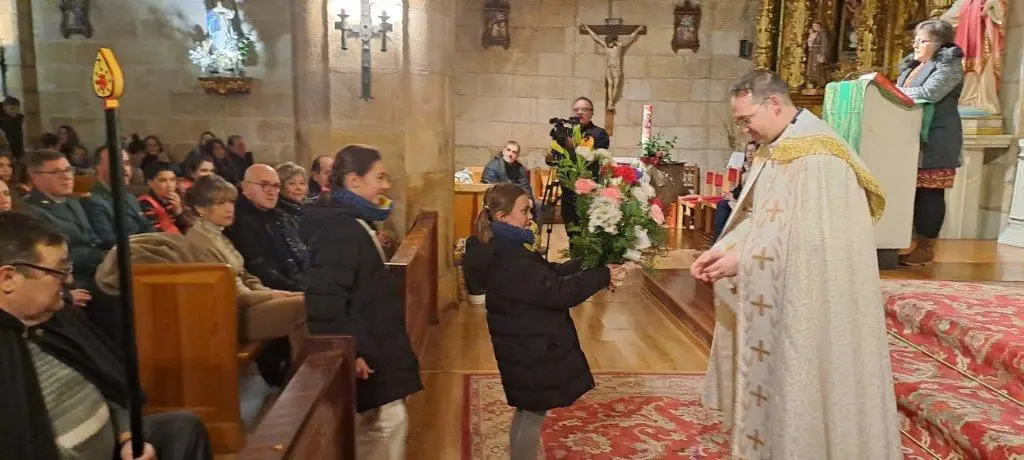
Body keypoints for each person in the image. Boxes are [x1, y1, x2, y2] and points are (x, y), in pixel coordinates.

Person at [690, 70, 900, 459]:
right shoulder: (778, 149)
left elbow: (814, 244)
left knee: (807, 381)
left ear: (772, 104)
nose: (744, 131)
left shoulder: (820, 158)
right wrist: (726, 248)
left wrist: (743, 259)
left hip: (813, 303)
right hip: (781, 293)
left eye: (745, 119)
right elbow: (764, 219)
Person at [0, 211, 213, 460]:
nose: (69, 280)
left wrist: (129, 437)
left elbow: (108, 385)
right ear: (8, 279)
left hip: (115, 445)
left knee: (184, 426)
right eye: (59, 271)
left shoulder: (59, 320)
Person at [462, 183, 624, 459]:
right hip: (528, 345)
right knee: (532, 411)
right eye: (524, 210)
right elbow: (558, 292)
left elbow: (549, 273)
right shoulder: (510, 257)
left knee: (529, 408)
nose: (530, 216)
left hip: (525, 339)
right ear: (503, 218)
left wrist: (589, 263)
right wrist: (602, 277)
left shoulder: (505, 246)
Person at [301, 145, 422, 459]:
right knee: (382, 427)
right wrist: (348, 352)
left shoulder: (351, 221)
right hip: (364, 352)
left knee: (387, 423)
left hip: (373, 345)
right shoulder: (339, 229)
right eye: (379, 177)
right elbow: (325, 298)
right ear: (354, 180)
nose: (386, 185)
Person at [185, 175, 306, 387]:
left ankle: (299, 376)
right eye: (220, 203)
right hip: (230, 315)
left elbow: (245, 275)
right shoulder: (199, 241)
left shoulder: (218, 234)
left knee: (309, 298)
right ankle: (300, 384)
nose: (229, 208)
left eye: (231, 201)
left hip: (247, 301)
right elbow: (228, 293)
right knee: (304, 306)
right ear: (201, 208)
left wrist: (266, 290)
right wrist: (270, 295)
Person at [896, 19, 965, 265]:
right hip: (908, 137)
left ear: (938, 44)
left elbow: (930, 93)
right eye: (915, 39)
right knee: (911, 193)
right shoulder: (912, 65)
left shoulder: (949, 64)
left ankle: (926, 247)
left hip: (936, 138)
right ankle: (899, 241)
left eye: (921, 40)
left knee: (930, 193)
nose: (915, 44)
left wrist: (892, 92)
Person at [23, 149, 105, 299]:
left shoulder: (73, 201)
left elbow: (93, 240)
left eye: (68, 170)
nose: (66, 176)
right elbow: (52, 256)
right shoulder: (31, 210)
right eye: (56, 172)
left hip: (96, 272)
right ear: (35, 177)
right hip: (69, 283)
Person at [225, 164, 307, 292]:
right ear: (245, 187)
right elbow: (259, 269)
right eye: (264, 185)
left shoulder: (273, 214)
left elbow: (287, 259)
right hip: (265, 292)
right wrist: (300, 290)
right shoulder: (238, 221)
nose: (272, 191)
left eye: (275, 186)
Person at [546, 97, 610, 243]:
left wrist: (572, 146)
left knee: (590, 237)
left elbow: (595, 158)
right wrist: (551, 156)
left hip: (589, 195)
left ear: (591, 113)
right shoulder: (564, 133)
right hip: (568, 194)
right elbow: (557, 156)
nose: (579, 112)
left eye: (584, 109)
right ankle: (574, 264)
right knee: (572, 236)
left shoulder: (599, 134)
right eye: (576, 109)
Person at [940, 0, 1006, 115]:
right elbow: (947, 19)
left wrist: (992, 5)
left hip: (985, 32)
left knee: (984, 64)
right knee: (966, 63)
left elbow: (1000, 12)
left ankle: (982, 100)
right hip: (967, 31)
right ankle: (966, 99)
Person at [82, 146, 155, 245]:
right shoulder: (93, 201)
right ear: (98, 167)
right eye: (116, 163)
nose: (124, 169)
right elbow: (108, 240)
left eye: (127, 163)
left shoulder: (130, 196)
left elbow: (147, 227)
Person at [580, 25, 646, 112]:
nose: (609, 45)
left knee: (616, 84)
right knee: (610, 84)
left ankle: (611, 103)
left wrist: (637, 30)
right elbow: (596, 37)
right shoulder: (606, 45)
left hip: (616, 68)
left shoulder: (619, 46)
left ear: (613, 41)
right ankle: (609, 103)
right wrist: (588, 29)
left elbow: (631, 37)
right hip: (609, 67)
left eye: (610, 43)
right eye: (607, 43)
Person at [711, 141, 757, 242]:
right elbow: (741, 186)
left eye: (752, 151)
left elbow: (751, 189)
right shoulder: (745, 167)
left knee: (723, 205)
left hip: (750, 201)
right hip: (741, 199)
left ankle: (718, 240)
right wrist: (732, 193)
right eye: (747, 151)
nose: (749, 153)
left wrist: (734, 197)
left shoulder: (757, 168)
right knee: (722, 203)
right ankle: (717, 240)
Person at [138, 161, 190, 234]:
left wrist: (178, 211)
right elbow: (156, 234)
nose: (169, 185)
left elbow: (187, 231)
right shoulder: (145, 203)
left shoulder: (177, 199)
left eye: (172, 180)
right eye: (163, 180)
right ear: (150, 183)